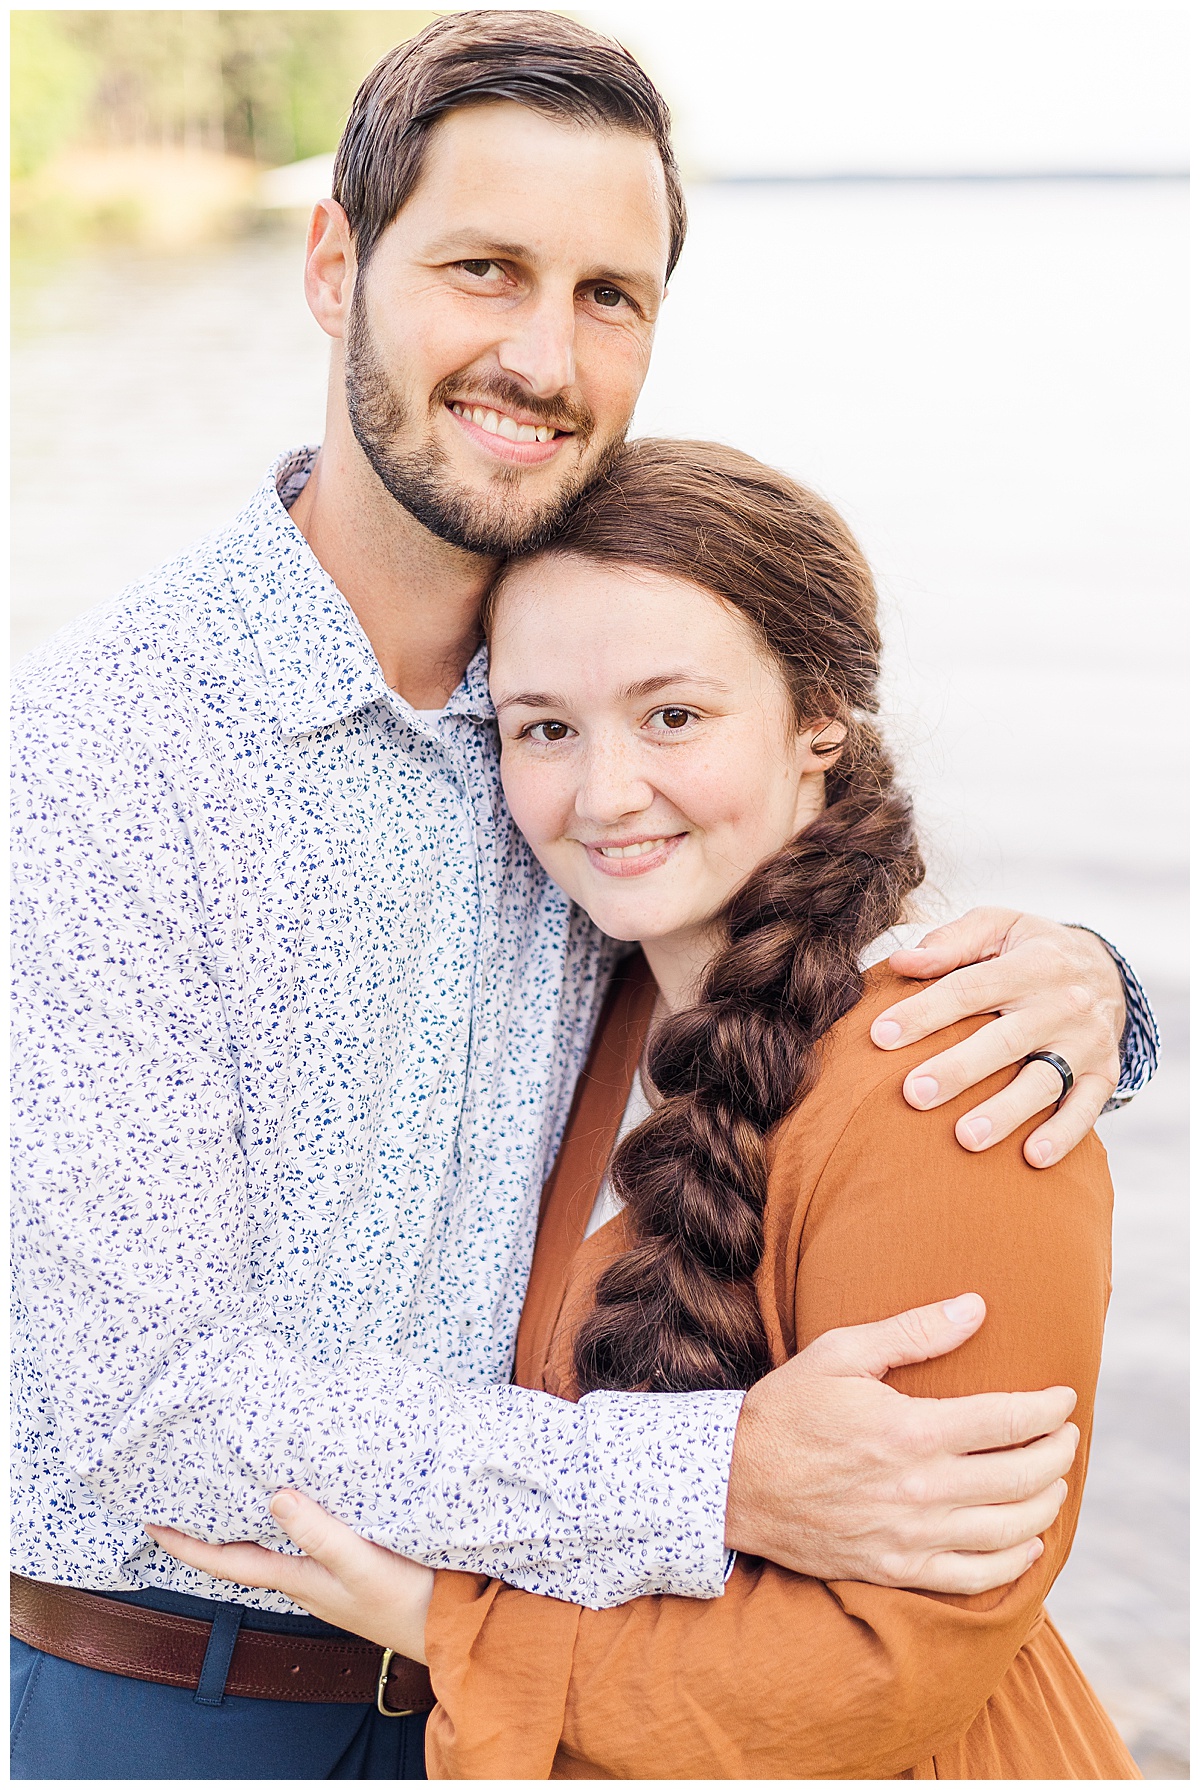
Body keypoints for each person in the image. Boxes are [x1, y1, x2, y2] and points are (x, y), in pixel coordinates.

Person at [11, 12, 1154, 1782]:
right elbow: (151, 1397)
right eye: (485, 268)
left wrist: (1101, 987)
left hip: (559, 1703)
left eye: (609, 294)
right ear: (334, 263)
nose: (542, 352)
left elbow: (792, 914)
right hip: (192, 1693)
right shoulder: (102, 753)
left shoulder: (570, 702)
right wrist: (719, 1478)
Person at [157, 439, 1142, 1778]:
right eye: (545, 726)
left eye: (674, 715)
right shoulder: (579, 999)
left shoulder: (953, 1085)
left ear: (821, 721)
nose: (606, 793)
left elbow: (883, 1671)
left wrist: (446, 1621)